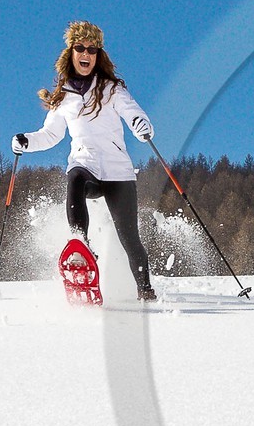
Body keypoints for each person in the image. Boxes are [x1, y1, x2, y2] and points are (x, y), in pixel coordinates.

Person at [13, 21, 159, 301]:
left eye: (92, 50)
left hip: (118, 172)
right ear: (70, 53)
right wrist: (27, 141)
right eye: (80, 48)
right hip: (86, 164)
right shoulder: (64, 98)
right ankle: (80, 245)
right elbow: (50, 134)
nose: (86, 54)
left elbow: (132, 112)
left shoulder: (111, 89)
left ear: (98, 55)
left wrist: (141, 125)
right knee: (75, 177)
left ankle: (145, 290)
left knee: (129, 238)